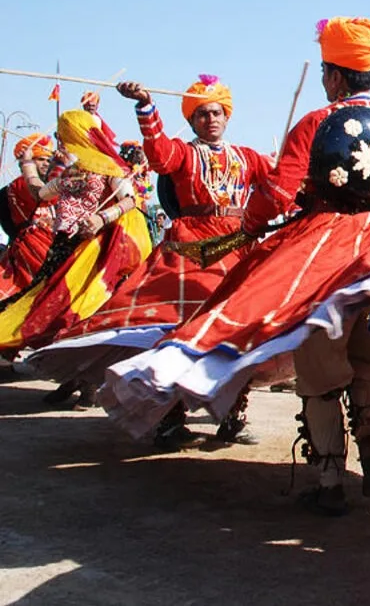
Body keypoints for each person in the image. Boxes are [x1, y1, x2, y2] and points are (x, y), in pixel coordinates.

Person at [104, 16, 370, 516]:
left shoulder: (313, 125)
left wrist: (253, 223)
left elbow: (278, 192)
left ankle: (328, 477)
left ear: (333, 76)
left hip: (322, 255)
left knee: (321, 365)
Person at [30, 74, 273, 442]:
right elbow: (158, 154)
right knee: (174, 328)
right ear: (192, 120)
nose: (211, 120)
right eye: (203, 114)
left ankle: (233, 416)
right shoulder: (184, 152)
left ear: (227, 116)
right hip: (192, 248)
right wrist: (145, 106)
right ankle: (172, 417)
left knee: (240, 329)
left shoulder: (249, 157)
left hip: (238, 247)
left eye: (216, 112)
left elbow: (279, 183)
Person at [0, 110, 153, 368]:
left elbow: (130, 200)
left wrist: (101, 219)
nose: (60, 139)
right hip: (61, 247)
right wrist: (27, 164)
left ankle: (85, 377)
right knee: (43, 303)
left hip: (91, 248)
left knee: (82, 307)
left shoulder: (108, 166)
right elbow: (41, 193)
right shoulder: (73, 170)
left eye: (64, 133)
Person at [0, 134, 58, 298]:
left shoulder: (49, 184)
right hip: (32, 252)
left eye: (49, 159)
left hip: (47, 247)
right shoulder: (21, 185)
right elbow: (44, 194)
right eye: (40, 159)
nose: (46, 163)